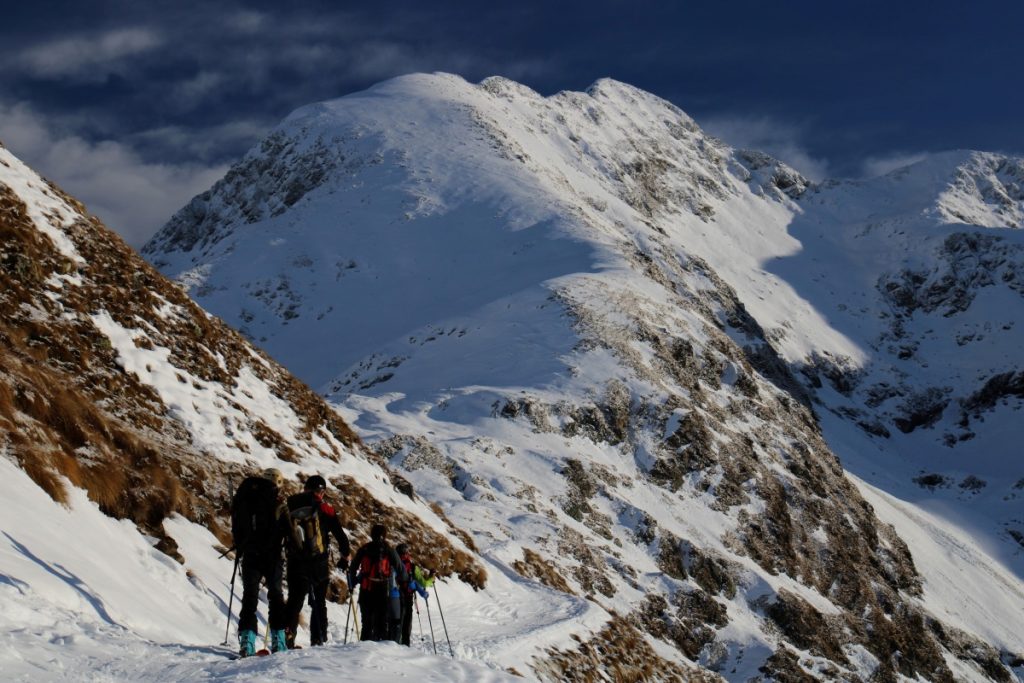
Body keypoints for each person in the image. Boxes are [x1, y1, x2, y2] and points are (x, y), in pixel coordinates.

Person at [283, 474, 351, 648]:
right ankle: (318, 638)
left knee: (294, 600)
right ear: (322, 492)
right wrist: (345, 556)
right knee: (318, 601)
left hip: (295, 561)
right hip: (318, 562)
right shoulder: (326, 509)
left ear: (306, 489)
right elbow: (341, 537)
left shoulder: (291, 505)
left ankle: (288, 637)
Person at [230, 467, 289, 657]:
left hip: (250, 553)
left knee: (250, 597)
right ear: (278, 482)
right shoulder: (278, 503)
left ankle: (247, 641)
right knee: (276, 597)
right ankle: (279, 641)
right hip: (272, 556)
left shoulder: (247, 497)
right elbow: (288, 530)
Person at [347, 524, 406, 642]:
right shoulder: (389, 550)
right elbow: (401, 569)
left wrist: (352, 582)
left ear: (372, 534)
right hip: (382, 590)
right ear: (384, 535)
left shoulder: (364, 549)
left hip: (366, 589)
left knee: (367, 624)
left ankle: (363, 650)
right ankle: (380, 652)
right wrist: (403, 580)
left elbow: (353, 567)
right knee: (382, 623)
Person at [396, 543, 432, 646]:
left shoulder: (392, 565)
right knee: (406, 625)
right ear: (407, 553)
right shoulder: (412, 567)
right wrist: (431, 578)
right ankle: (405, 647)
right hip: (407, 598)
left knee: (395, 624)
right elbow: (424, 583)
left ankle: (393, 645)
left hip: (393, 599)